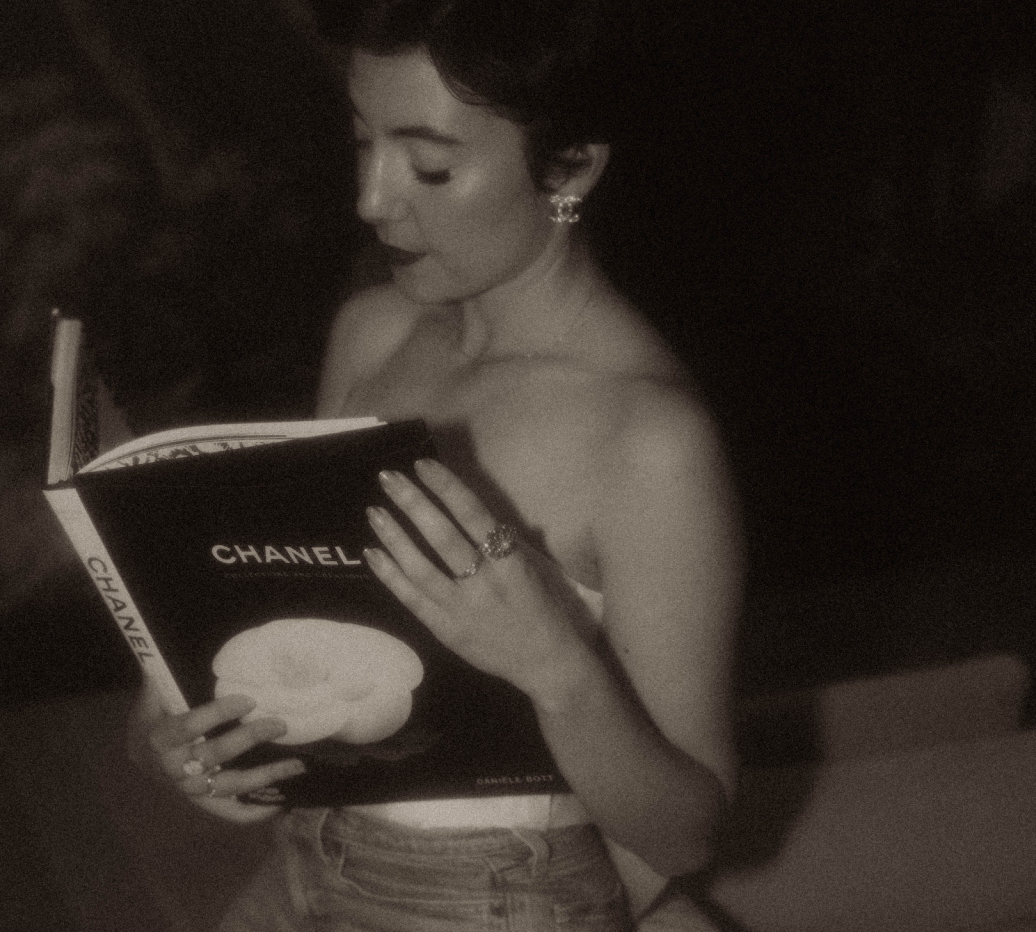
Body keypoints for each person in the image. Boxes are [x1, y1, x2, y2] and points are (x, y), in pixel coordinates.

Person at [130, 0, 742, 927]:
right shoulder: (372, 332)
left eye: (429, 165)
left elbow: (690, 836)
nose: (373, 201)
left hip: (497, 896)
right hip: (309, 860)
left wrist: (559, 666)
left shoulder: (648, 440)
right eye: (361, 144)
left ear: (569, 167)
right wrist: (190, 744)